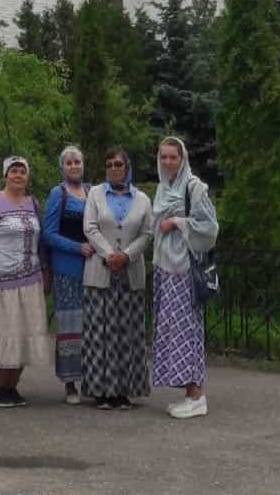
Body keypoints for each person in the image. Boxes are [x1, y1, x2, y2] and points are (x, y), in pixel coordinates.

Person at [151, 135, 219, 419]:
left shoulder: (194, 187)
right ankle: (189, 393)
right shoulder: (164, 187)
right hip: (166, 267)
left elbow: (210, 228)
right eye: (163, 157)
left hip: (184, 271)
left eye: (173, 157)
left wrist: (176, 222)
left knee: (186, 331)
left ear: (183, 158)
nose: (168, 162)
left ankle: (197, 395)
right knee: (171, 329)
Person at [81, 144, 152, 409]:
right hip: (101, 271)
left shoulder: (142, 199)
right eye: (109, 165)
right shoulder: (95, 194)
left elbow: (147, 233)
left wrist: (127, 256)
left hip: (130, 273)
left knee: (127, 333)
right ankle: (101, 390)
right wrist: (110, 254)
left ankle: (123, 390)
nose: (114, 169)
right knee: (101, 333)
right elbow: (89, 226)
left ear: (127, 166)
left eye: (118, 164)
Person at [0, 155, 50, 407]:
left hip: (31, 280)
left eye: (23, 171)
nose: (18, 175)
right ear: (6, 175)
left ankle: (12, 387)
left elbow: (41, 244)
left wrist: (46, 274)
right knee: (7, 332)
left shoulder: (33, 204)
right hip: (3, 282)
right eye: (14, 171)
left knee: (26, 332)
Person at [42, 144, 92, 402]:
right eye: (69, 162)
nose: (74, 166)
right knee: (70, 325)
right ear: (62, 167)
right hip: (66, 269)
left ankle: (92, 378)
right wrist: (77, 247)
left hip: (92, 269)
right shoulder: (57, 194)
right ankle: (70, 382)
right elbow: (48, 233)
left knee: (91, 324)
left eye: (78, 162)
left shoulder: (92, 192)